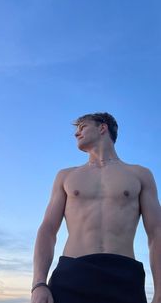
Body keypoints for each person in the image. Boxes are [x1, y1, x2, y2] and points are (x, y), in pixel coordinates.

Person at [31, 112, 161, 303]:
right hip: (72, 275)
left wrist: (160, 292)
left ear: (102, 128)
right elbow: (48, 229)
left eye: (82, 127)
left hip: (124, 276)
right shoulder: (66, 176)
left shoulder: (140, 174)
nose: (76, 133)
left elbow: (156, 233)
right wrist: (38, 284)